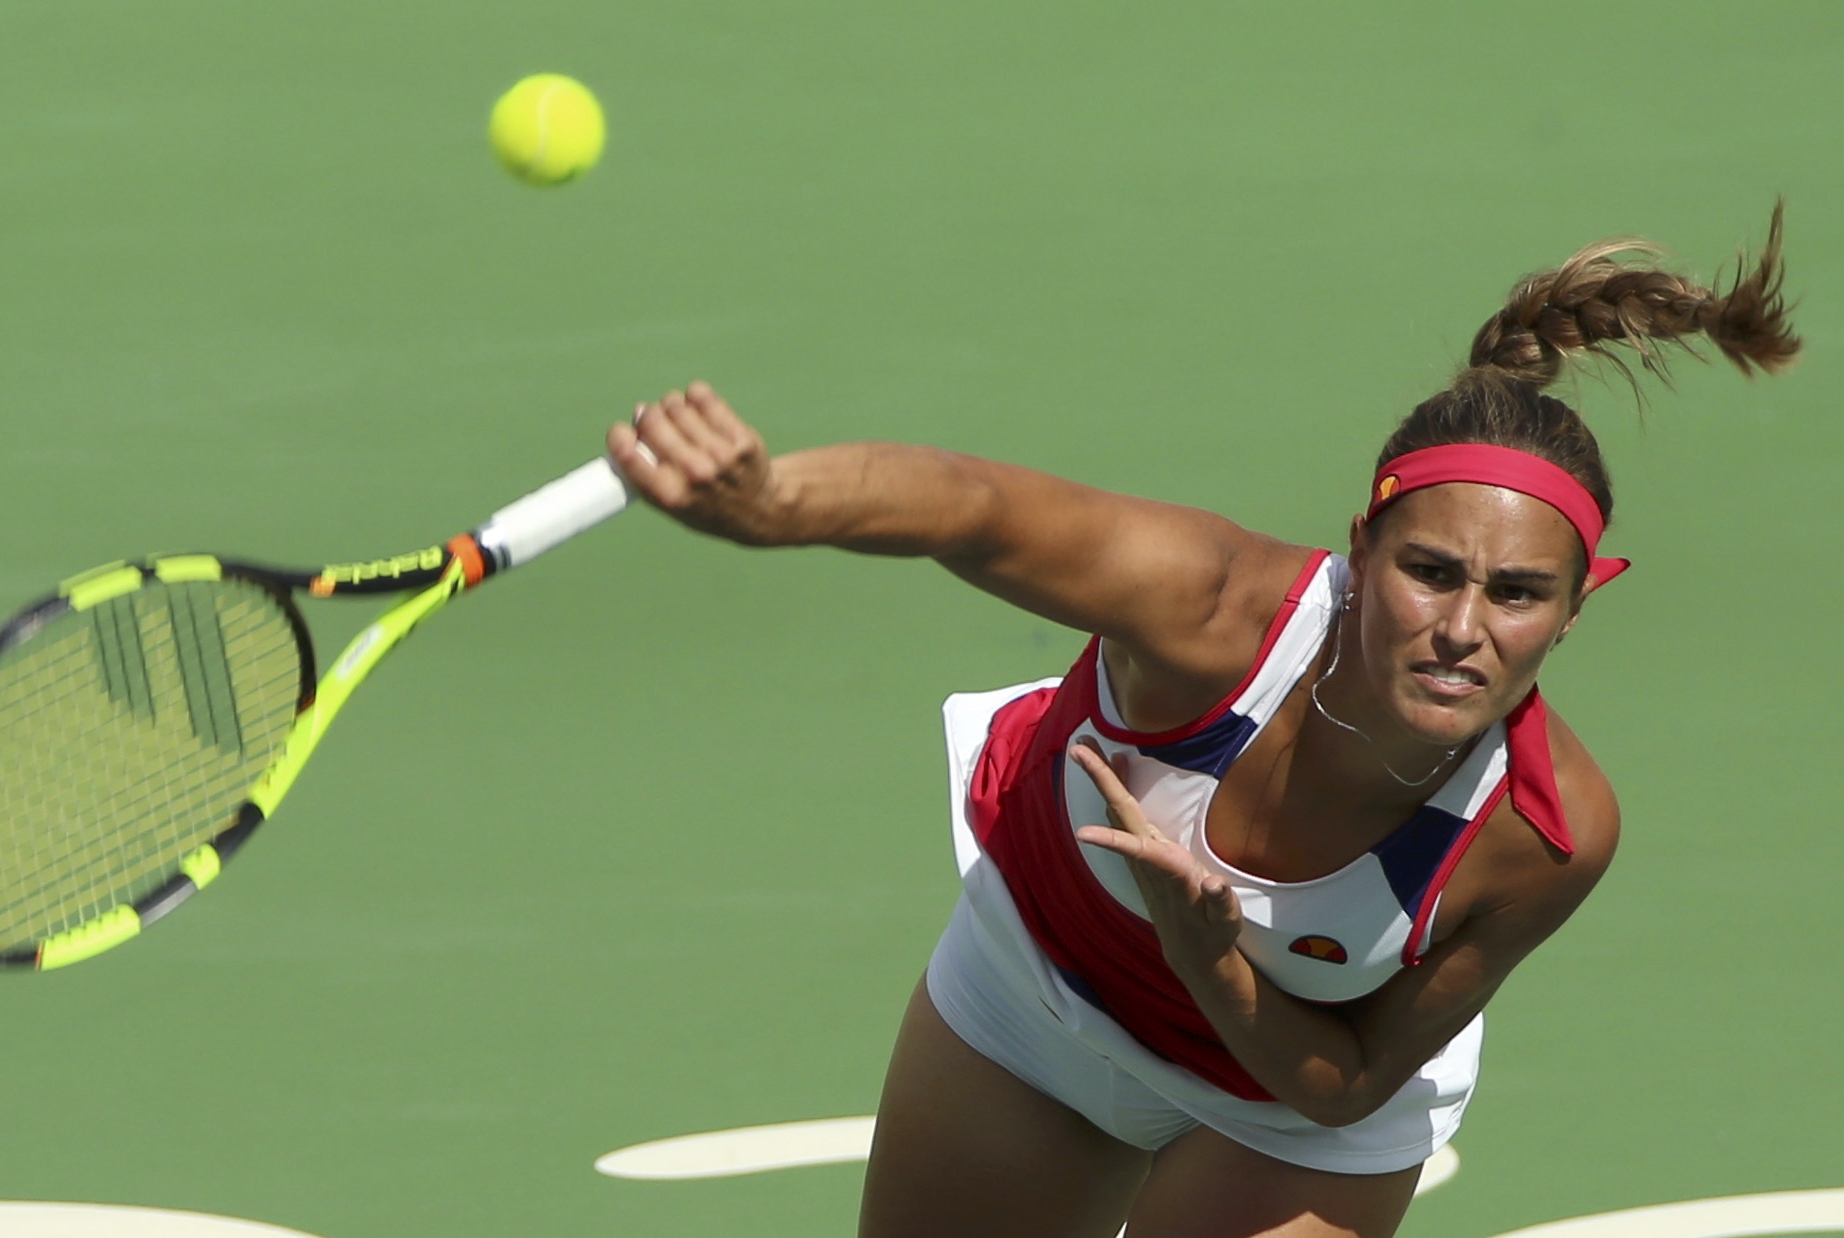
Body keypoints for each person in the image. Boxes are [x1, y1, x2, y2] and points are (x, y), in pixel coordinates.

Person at [604, 208, 1798, 1238]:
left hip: (1290, 1116)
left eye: (1520, 593)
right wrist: (773, 501)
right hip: (1040, 994)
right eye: (1431, 570)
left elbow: (1347, 1082)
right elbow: (972, 508)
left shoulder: (1544, 831)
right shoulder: (1209, 609)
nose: (1463, 626)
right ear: (1362, 547)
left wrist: (1211, 954)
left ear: (1574, 611)